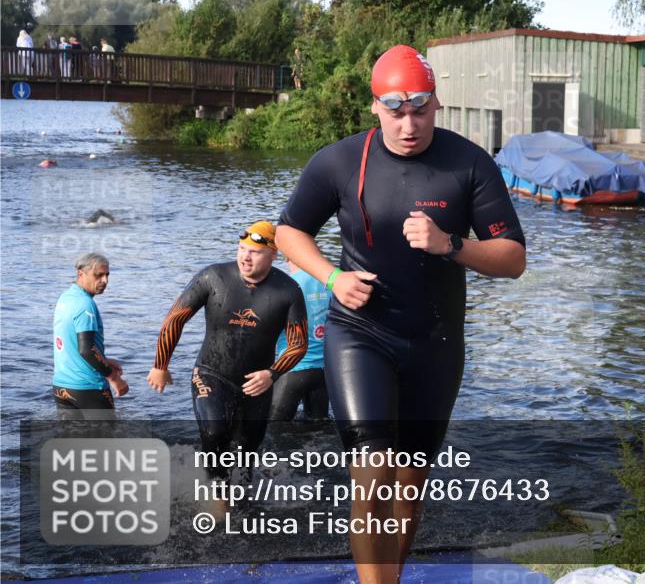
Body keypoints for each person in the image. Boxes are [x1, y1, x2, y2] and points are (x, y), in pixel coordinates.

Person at [275, 45, 526, 583]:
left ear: (436, 104)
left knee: (408, 494)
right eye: (395, 111)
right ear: (375, 107)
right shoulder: (339, 161)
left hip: (434, 343)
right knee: (372, 472)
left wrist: (450, 244)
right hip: (360, 334)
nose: (408, 125)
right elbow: (288, 231)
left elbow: (513, 259)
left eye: (420, 109)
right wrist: (333, 277)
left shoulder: (469, 162)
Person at [146, 221, 308, 483]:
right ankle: (217, 499)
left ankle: (239, 500)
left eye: (254, 252)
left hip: (258, 383)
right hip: (211, 372)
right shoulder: (213, 277)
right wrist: (160, 366)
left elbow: (299, 344)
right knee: (213, 431)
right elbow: (175, 319)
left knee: (246, 456)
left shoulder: (289, 290)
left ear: (273, 254)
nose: (245, 257)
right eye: (241, 248)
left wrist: (273, 373)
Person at [52, 253, 128, 417]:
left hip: (62, 388)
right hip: (88, 389)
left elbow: (70, 342)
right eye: (98, 275)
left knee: (73, 441)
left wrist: (103, 360)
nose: (105, 281)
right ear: (81, 273)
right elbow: (87, 349)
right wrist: (114, 378)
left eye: (107, 275)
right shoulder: (85, 304)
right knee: (106, 442)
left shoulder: (65, 298)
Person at [268, 259, 330, 422]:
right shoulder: (329, 283)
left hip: (292, 371)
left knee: (273, 432)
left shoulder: (287, 286)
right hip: (323, 374)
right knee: (318, 430)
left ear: (288, 256)